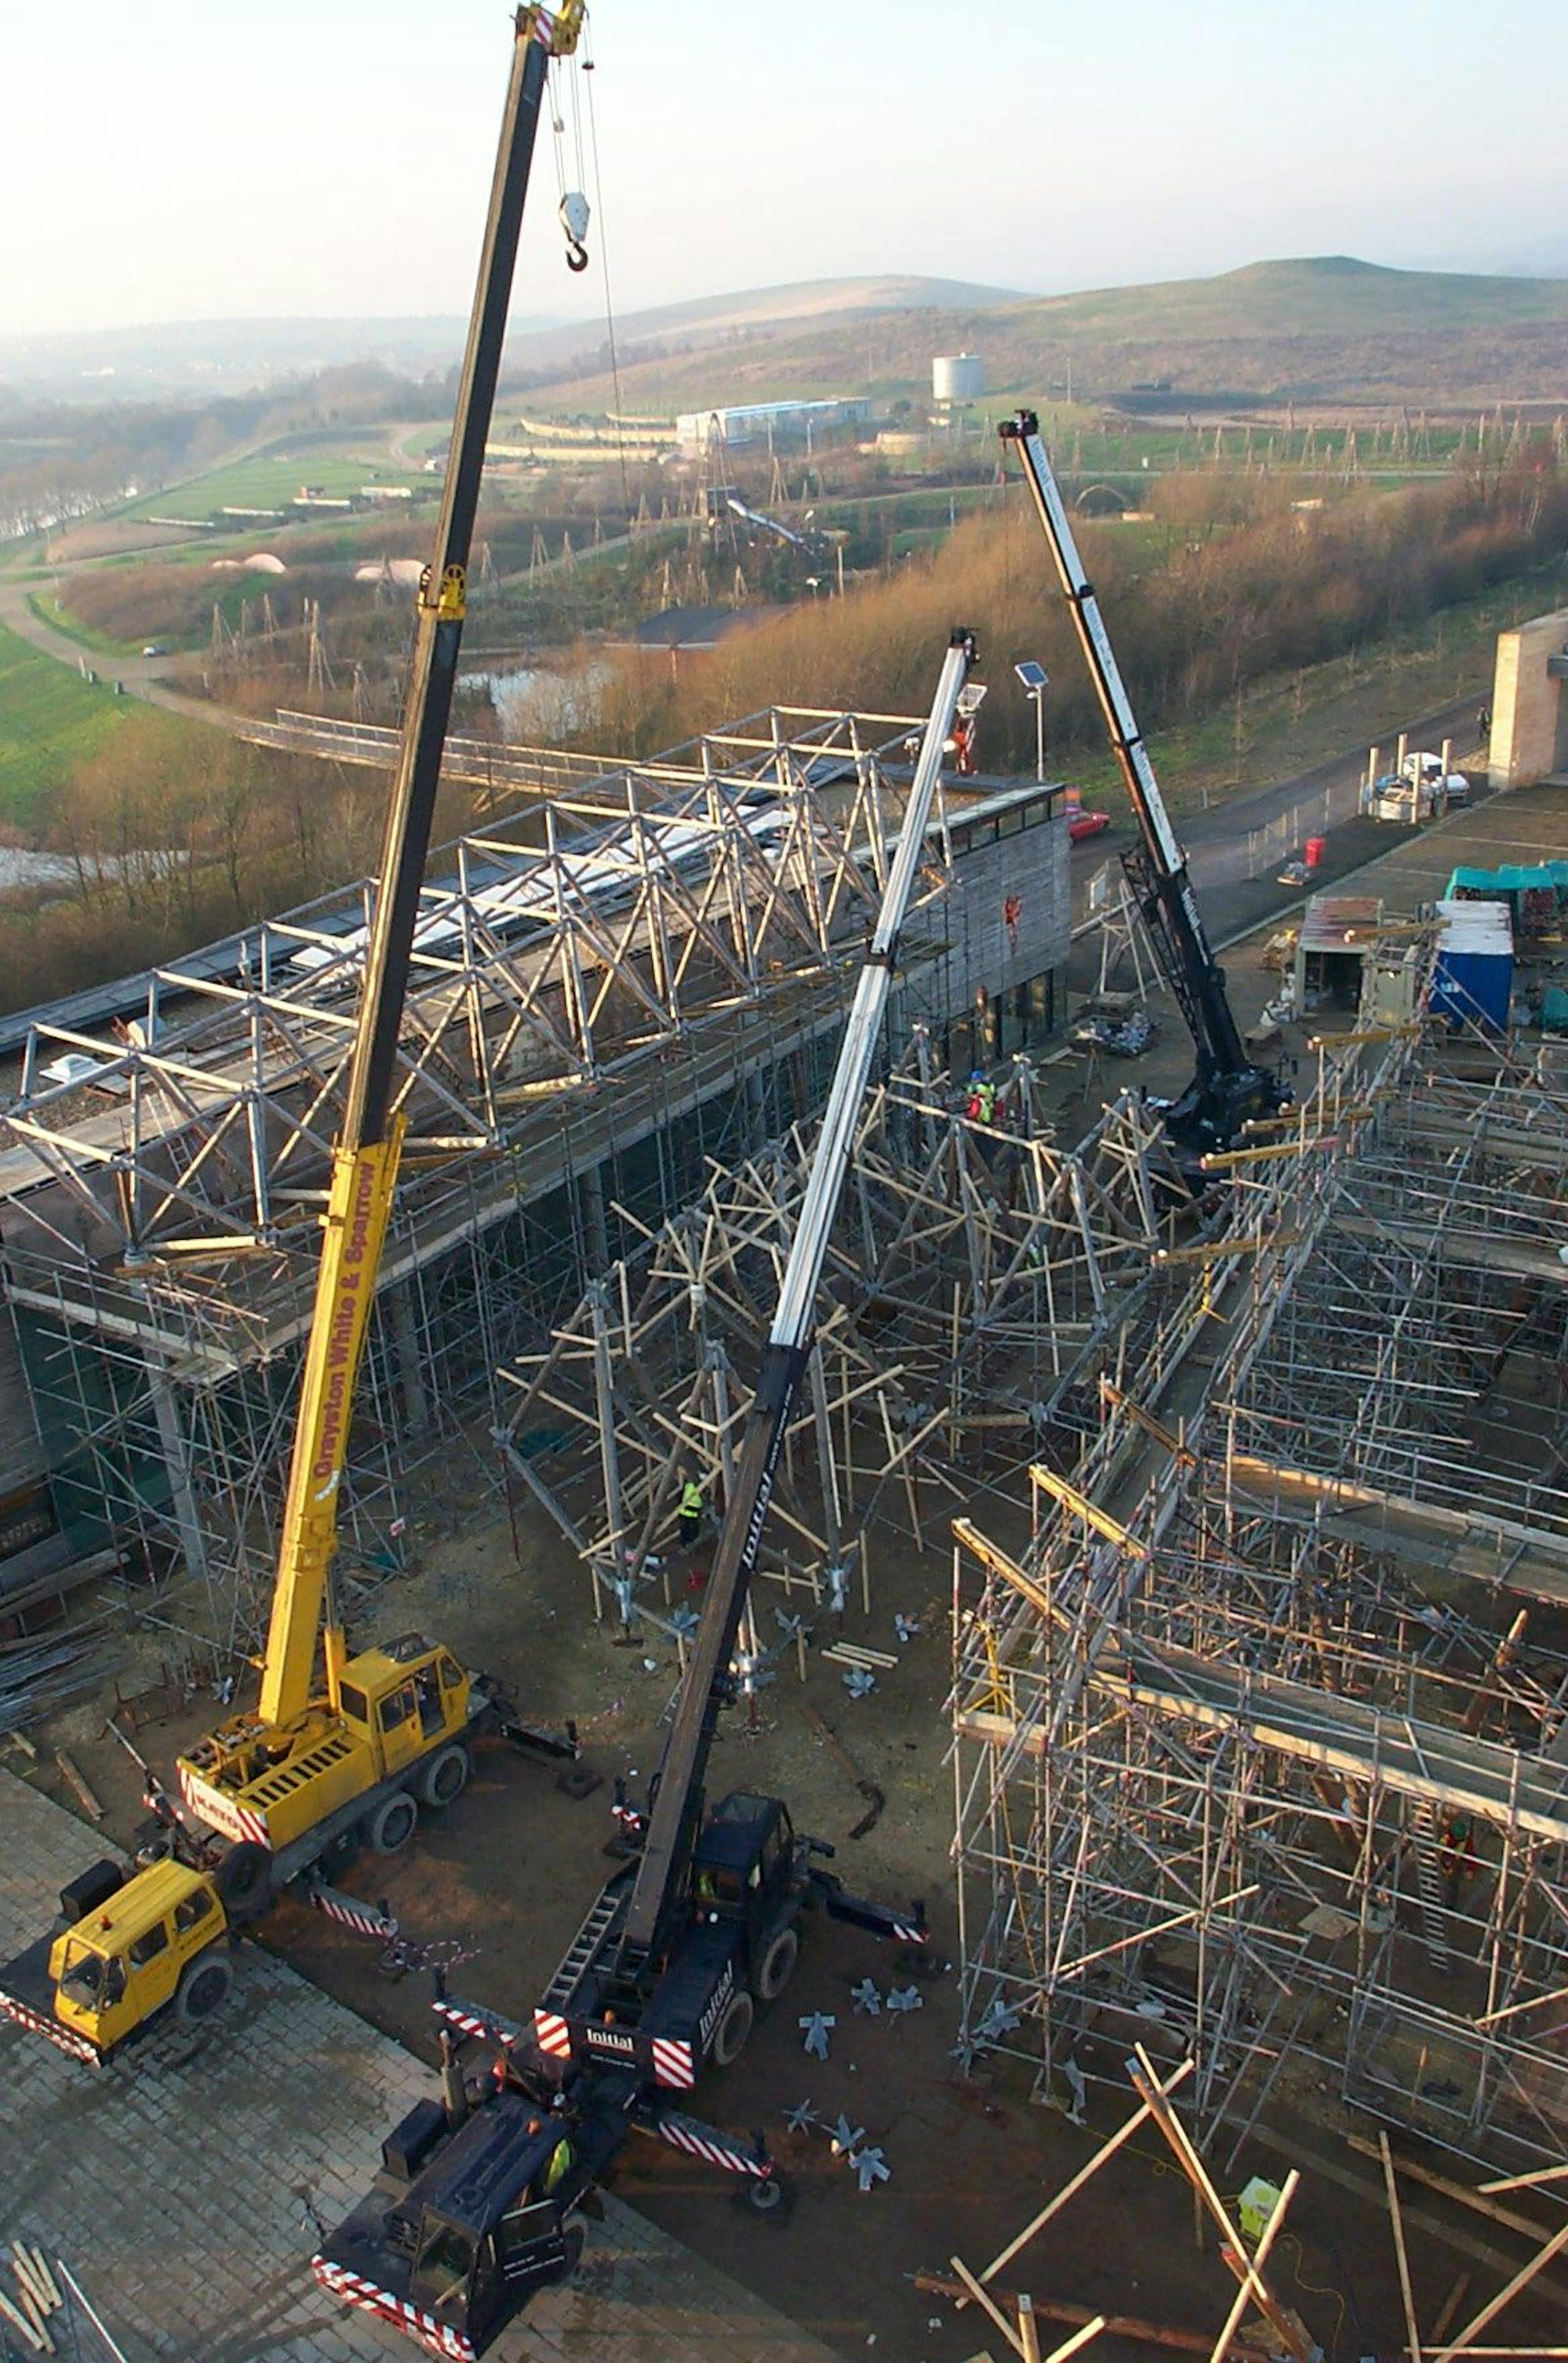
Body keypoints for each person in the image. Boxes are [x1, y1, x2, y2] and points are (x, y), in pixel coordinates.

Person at [677, 1472, 704, 1549]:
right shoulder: (699, 1484)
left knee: (686, 1529)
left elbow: (681, 1496)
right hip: (694, 1511)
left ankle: (685, 1543)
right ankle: (690, 1542)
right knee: (692, 1530)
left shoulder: (688, 1485)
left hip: (685, 1511)